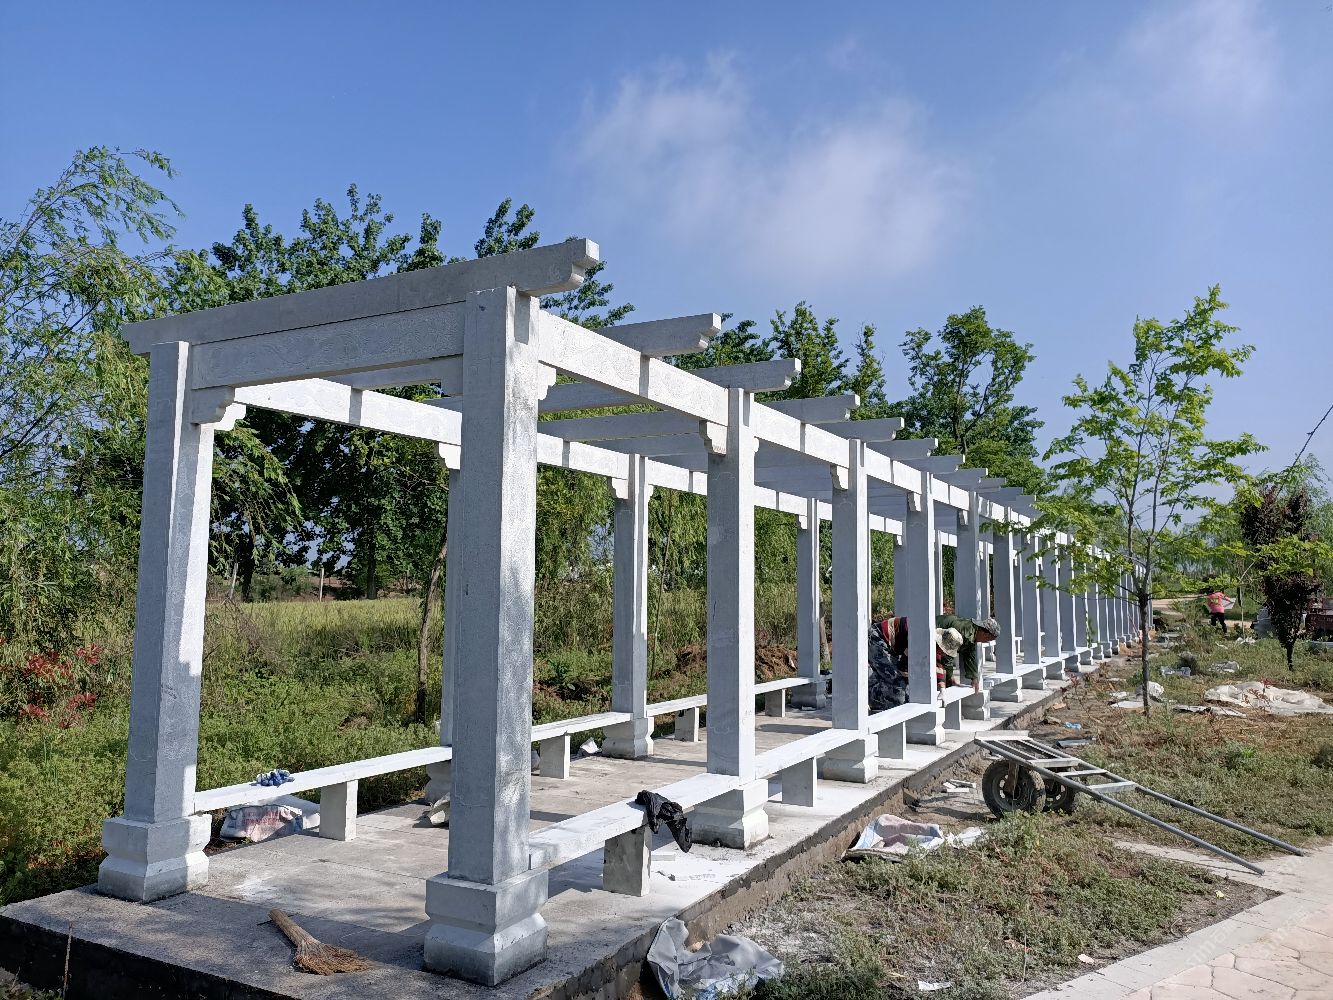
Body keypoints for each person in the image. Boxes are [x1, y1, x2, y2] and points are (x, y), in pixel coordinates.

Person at [934, 614, 1001, 694]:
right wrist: (950, 679)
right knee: (938, 667)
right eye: (989, 639)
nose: (986, 641)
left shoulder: (972, 633)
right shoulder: (964, 632)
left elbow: (970, 655)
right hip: (931, 636)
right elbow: (947, 654)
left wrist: (974, 677)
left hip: (938, 644)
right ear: (985, 634)